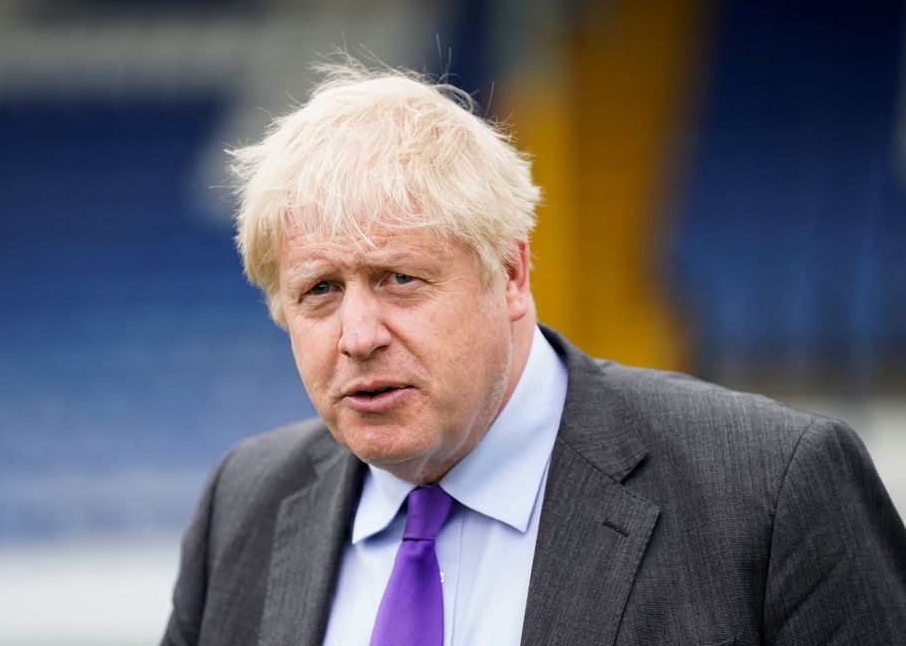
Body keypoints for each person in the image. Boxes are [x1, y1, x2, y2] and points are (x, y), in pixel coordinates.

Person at [160, 61, 906, 646]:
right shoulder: (243, 504)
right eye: (320, 290)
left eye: (399, 278)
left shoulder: (769, 491)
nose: (358, 334)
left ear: (511, 272)